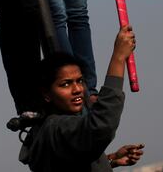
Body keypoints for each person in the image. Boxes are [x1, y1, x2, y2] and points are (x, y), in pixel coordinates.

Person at [21, 25, 144, 171]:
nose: (77, 89)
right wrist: (118, 58)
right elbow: (102, 125)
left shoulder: (54, 129)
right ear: (46, 94)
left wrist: (109, 160)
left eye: (79, 81)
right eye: (65, 84)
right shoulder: (55, 128)